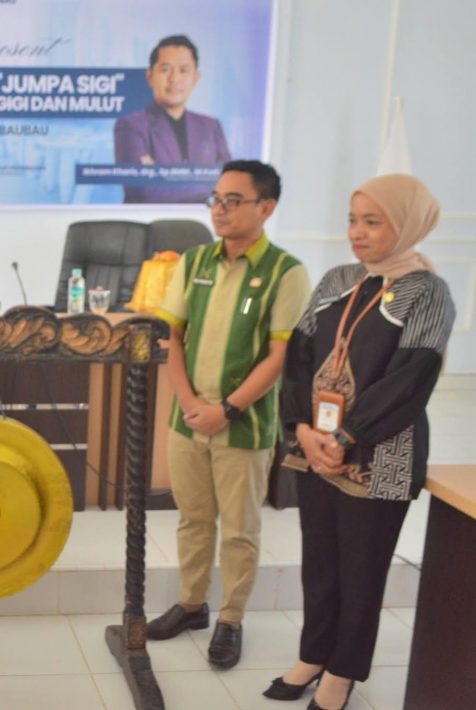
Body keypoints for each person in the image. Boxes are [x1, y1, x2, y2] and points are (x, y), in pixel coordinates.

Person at [265, 174, 454, 710]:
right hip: (316, 449)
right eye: (353, 219)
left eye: (373, 221)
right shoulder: (336, 280)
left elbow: (412, 377)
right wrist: (301, 427)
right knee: (320, 563)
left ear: (408, 224)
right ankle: (313, 654)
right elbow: (299, 358)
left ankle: (342, 673)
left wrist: (346, 435)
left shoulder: (428, 292)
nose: (358, 232)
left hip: (380, 457)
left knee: (361, 570)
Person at [151, 160, 310, 668]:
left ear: (266, 208)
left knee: (239, 528)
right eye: (215, 199)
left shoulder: (286, 271)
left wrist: (226, 408)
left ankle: (231, 619)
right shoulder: (194, 260)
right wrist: (190, 403)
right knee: (193, 519)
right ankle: (192, 605)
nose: (219, 209)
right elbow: (170, 335)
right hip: (189, 420)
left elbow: (280, 355)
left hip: (244, 426)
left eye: (232, 200)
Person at [113, 34, 231, 203]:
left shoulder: (211, 127)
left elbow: (231, 185)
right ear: (150, 76)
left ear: (195, 78)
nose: (174, 79)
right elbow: (144, 190)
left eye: (184, 70)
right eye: (165, 69)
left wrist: (164, 180)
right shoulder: (131, 126)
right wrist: (210, 182)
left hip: (204, 223)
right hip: (149, 224)